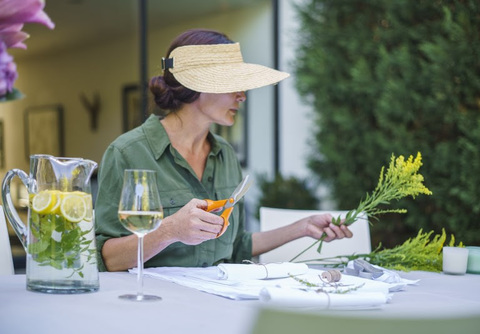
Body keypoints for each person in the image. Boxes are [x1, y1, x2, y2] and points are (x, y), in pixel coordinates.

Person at [95, 28, 353, 272]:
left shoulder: (225, 154)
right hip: (157, 305)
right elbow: (109, 258)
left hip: (220, 302)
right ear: (195, 84)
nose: (242, 95)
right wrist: (169, 230)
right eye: (231, 83)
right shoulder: (127, 153)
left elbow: (237, 245)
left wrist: (302, 228)